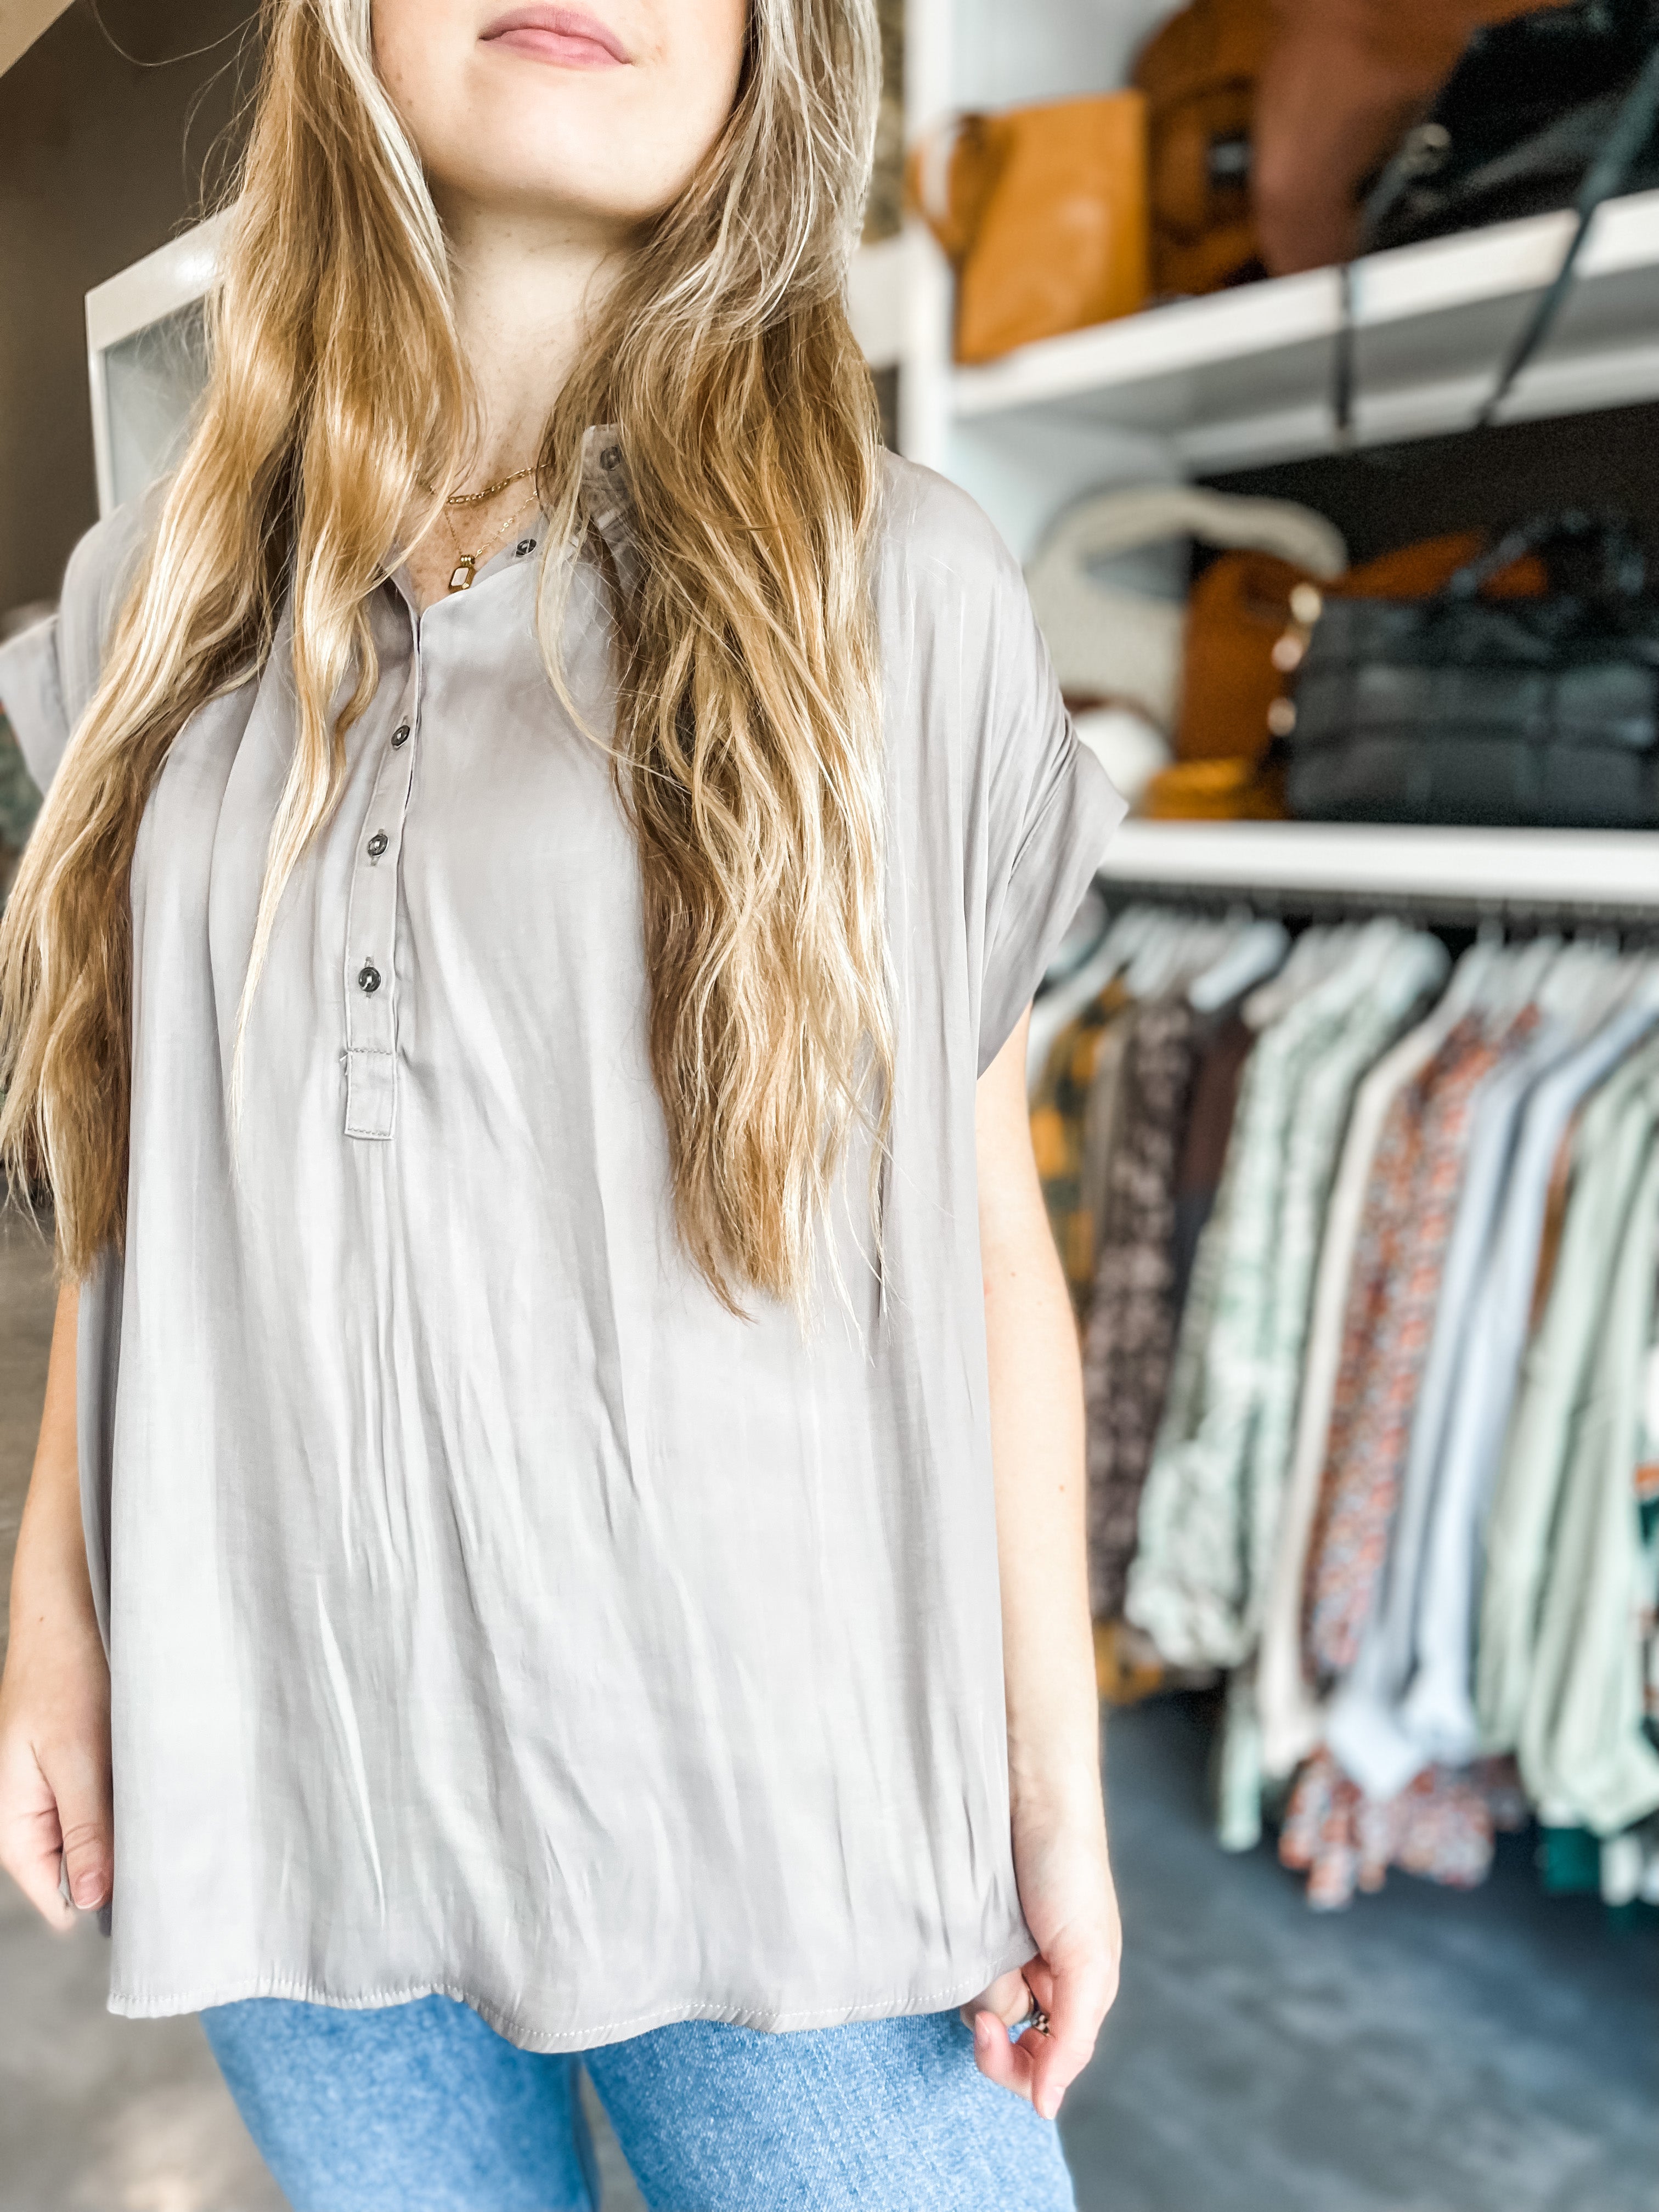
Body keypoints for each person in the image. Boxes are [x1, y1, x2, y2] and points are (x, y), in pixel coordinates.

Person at [0, 2, 1126, 2205]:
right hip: (281, 1748)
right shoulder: (150, 607)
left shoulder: (892, 588)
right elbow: (137, 1168)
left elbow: (987, 1245)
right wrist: (54, 1611)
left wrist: (1055, 1789)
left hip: (771, 1823)